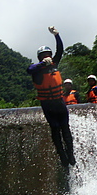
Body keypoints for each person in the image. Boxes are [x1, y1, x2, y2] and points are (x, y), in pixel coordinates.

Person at [27, 27, 76, 166]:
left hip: (59, 103)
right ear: (40, 58)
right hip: (48, 105)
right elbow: (29, 70)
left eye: (48, 54)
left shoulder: (55, 64)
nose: (46, 56)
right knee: (55, 129)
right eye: (43, 55)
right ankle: (62, 155)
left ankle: (70, 154)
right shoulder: (36, 70)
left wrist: (57, 35)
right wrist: (42, 64)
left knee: (65, 128)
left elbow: (60, 50)